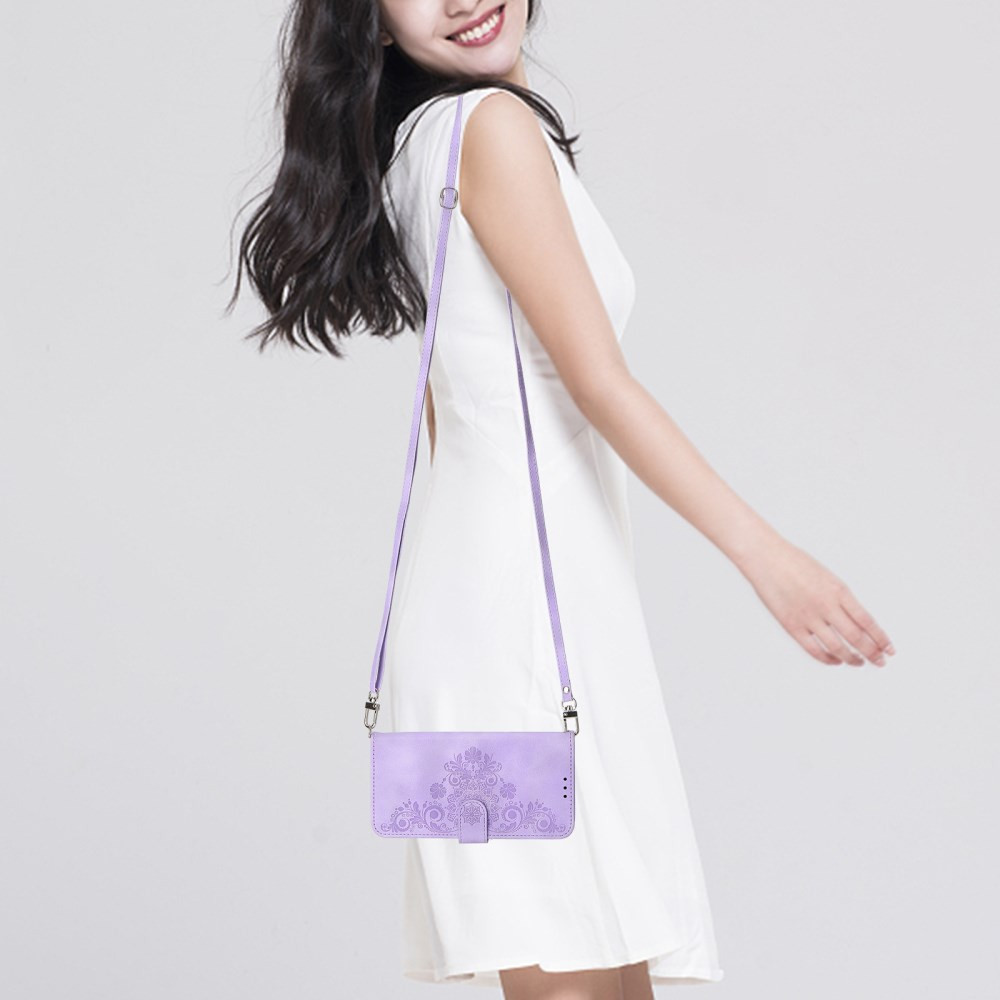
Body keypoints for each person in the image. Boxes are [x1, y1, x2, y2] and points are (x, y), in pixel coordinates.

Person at [227, 2, 896, 997]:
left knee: (596, 978)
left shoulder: (422, 143)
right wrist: (769, 559)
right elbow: (599, 383)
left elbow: (451, 416)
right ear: (372, 22)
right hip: (515, 657)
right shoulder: (488, 130)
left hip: (486, 643)